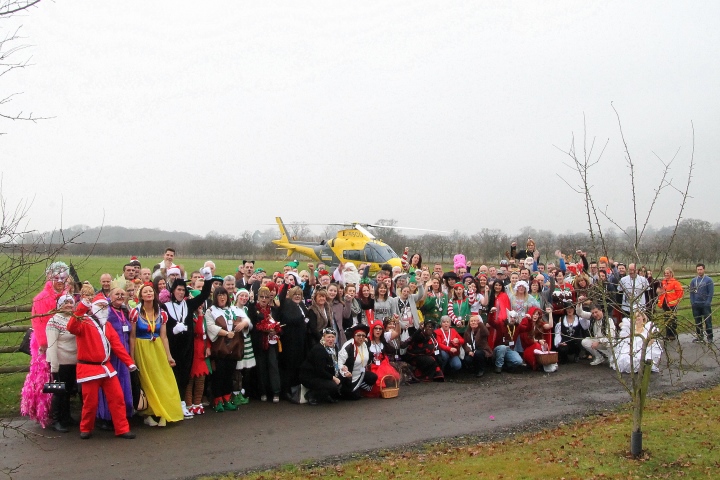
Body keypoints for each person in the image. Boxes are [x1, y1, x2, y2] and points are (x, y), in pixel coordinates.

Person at [68, 296, 137, 439]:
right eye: (99, 305)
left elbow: (117, 346)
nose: (102, 309)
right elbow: (71, 327)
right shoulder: (84, 321)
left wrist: (129, 362)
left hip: (106, 368)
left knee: (118, 398)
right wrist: (81, 307)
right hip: (89, 369)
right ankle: (86, 428)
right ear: (92, 307)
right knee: (90, 402)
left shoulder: (108, 325)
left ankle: (122, 428)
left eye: (105, 306)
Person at [22, 261, 69, 428]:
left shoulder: (66, 296)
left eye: (62, 278)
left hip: (63, 345)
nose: (59, 281)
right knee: (50, 380)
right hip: (47, 345)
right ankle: (53, 416)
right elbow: (39, 322)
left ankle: (64, 415)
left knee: (64, 379)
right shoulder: (42, 298)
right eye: (56, 278)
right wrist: (44, 344)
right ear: (50, 277)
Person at [129, 283, 184, 425]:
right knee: (148, 380)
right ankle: (149, 413)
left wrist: (169, 355)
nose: (149, 293)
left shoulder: (161, 313)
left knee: (164, 379)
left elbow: (164, 336)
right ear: (140, 295)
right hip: (142, 348)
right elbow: (132, 336)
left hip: (157, 347)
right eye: (145, 292)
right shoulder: (135, 312)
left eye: (151, 291)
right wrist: (132, 357)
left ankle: (164, 411)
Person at [162, 267, 213, 417]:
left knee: (185, 376)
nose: (181, 292)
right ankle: (173, 403)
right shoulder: (165, 307)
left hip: (187, 347)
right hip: (172, 346)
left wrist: (208, 279)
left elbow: (204, 295)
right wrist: (173, 331)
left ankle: (183, 403)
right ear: (173, 291)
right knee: (173, 376)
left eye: (183, 290)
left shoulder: (188, 305)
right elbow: (162, 329)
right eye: (178, 289)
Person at [204, 286, 249, 412]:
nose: (222, 297)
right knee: (219, 375)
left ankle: (227, 399)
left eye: (224, 295)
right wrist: (224, 333)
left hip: (233, 347)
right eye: (219, 295)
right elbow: (210, 327)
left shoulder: (234, 309)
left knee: (229, 374)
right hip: (220, 348)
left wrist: (243, 324)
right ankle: (217, 400)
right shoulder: (211, 311)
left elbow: (246, 320)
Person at [96, 288, 134, 431]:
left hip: (124, 355)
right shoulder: (107, 311)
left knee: (124, 387)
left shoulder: (124, 311)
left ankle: (122, 416)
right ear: (110, 296)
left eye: (122, 294)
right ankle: (105, 417)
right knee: (110, 388)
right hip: (111, 356)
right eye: (116, 294)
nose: (120, 296)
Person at [45, 294, 78, 432]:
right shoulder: (53, 321)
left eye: (71, 303)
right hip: (59, 361)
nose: (69, 305)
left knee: (68, 390)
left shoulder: (75, 319)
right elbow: (52, 345)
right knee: (58, 392)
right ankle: (56, 420)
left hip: (73, 362)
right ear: (59, 305)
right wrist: (54, 367)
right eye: (66, 303)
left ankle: (66, 417)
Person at [278, 285, 312, 403]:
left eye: (299, 294)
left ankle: (297, 390)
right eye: (295, 294)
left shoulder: (301, 305)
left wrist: (305, 321)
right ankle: (287, 391)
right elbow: (289, 319)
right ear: (290, 295)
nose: (297, 296)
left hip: (301, 340)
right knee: (290, 366)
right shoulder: (287, 305)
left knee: (299, 365)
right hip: (290, 341)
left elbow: (307, 317)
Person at [299, 329, 342, 405]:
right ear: (323, 337)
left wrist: (343, 369)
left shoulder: (334, 348)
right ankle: (311, 394)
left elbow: (335, 364)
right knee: (333, 385)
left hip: (322, 375)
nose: (331, 339)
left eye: (333, 337)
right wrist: (333, 378)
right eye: (328, 337)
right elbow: (319, 370)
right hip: (310, 376)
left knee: (343, 380)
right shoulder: (319, 349)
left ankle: (326, 395)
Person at [337, 324, 377, 399]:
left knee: (373, 377)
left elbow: (368, 358)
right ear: (354, 336)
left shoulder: (365, 344)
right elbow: (340, 363)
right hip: (349, 376)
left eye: (363, 335)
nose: (361, 338)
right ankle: (347, 389)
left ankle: (359, 386)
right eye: (358, 335)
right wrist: (345, 372)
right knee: (355, 397)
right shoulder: (349, 346)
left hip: (361, 373)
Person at [656, 268, 684, 341]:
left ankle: (673, 334)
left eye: (668, 273)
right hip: (665, 304)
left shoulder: (675, 283)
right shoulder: (663, 282)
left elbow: (680, 293)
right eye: (665, 273)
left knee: (672, 319)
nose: (666, 275)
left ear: (671, 273)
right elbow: (660, 292)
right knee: (666, 320)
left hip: (672, 304)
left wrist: (676, 302)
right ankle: (668, 334)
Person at [690, 263, 714, 343]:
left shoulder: (708, 280)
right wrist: (693, 302)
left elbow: (710, 292)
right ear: (696, 270)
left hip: (705, 304)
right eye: (698, 270)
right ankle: (700, 336)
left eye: (701, 269)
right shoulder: (693, 281)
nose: (699, 271)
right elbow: (692, 292)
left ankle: (710, 336)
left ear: (704, 269)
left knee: (708, 321)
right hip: (696, 304)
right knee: (697, 321)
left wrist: (708, 302)